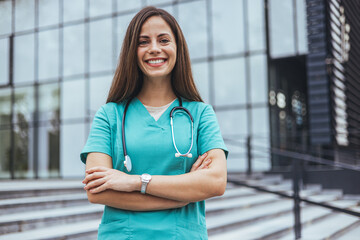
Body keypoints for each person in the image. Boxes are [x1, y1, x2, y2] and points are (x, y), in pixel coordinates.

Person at [80, 6, 228, 240]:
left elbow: (216, 181)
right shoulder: (109, 115)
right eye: (143, 42)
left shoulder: (200, 114)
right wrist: (185, 194)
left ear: (177, 47)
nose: (154, 49)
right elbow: (97, 191)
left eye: (163, 40)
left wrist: (134, 181)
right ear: (132, 51)